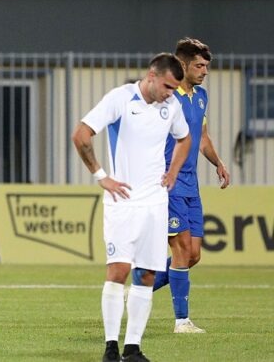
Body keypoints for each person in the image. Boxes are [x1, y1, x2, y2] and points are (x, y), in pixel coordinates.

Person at [72, 53, 192, 362]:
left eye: (174, 89)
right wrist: (101, 176)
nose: (170, 94)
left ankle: (133, 348)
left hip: (156, 203)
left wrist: (173, 171)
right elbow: (81, 135)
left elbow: (185, 139)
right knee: (119, 270)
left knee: (147, 274)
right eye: (167, 86)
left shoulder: (171, 105)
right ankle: (110, 347)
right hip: (122, 202)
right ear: (152, 75)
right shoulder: (121, 99)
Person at [152, 38, 231, 334]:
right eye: (199, 66)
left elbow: (203, 137)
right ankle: (181, 321)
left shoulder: (201, 96)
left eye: (206, 66)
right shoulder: (166, 98)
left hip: (191, 184)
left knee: (193, 254)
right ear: (182, 65)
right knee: (182, 248)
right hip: (168, 182)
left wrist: (218, 163)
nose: (205, 71)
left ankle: (140, 286)